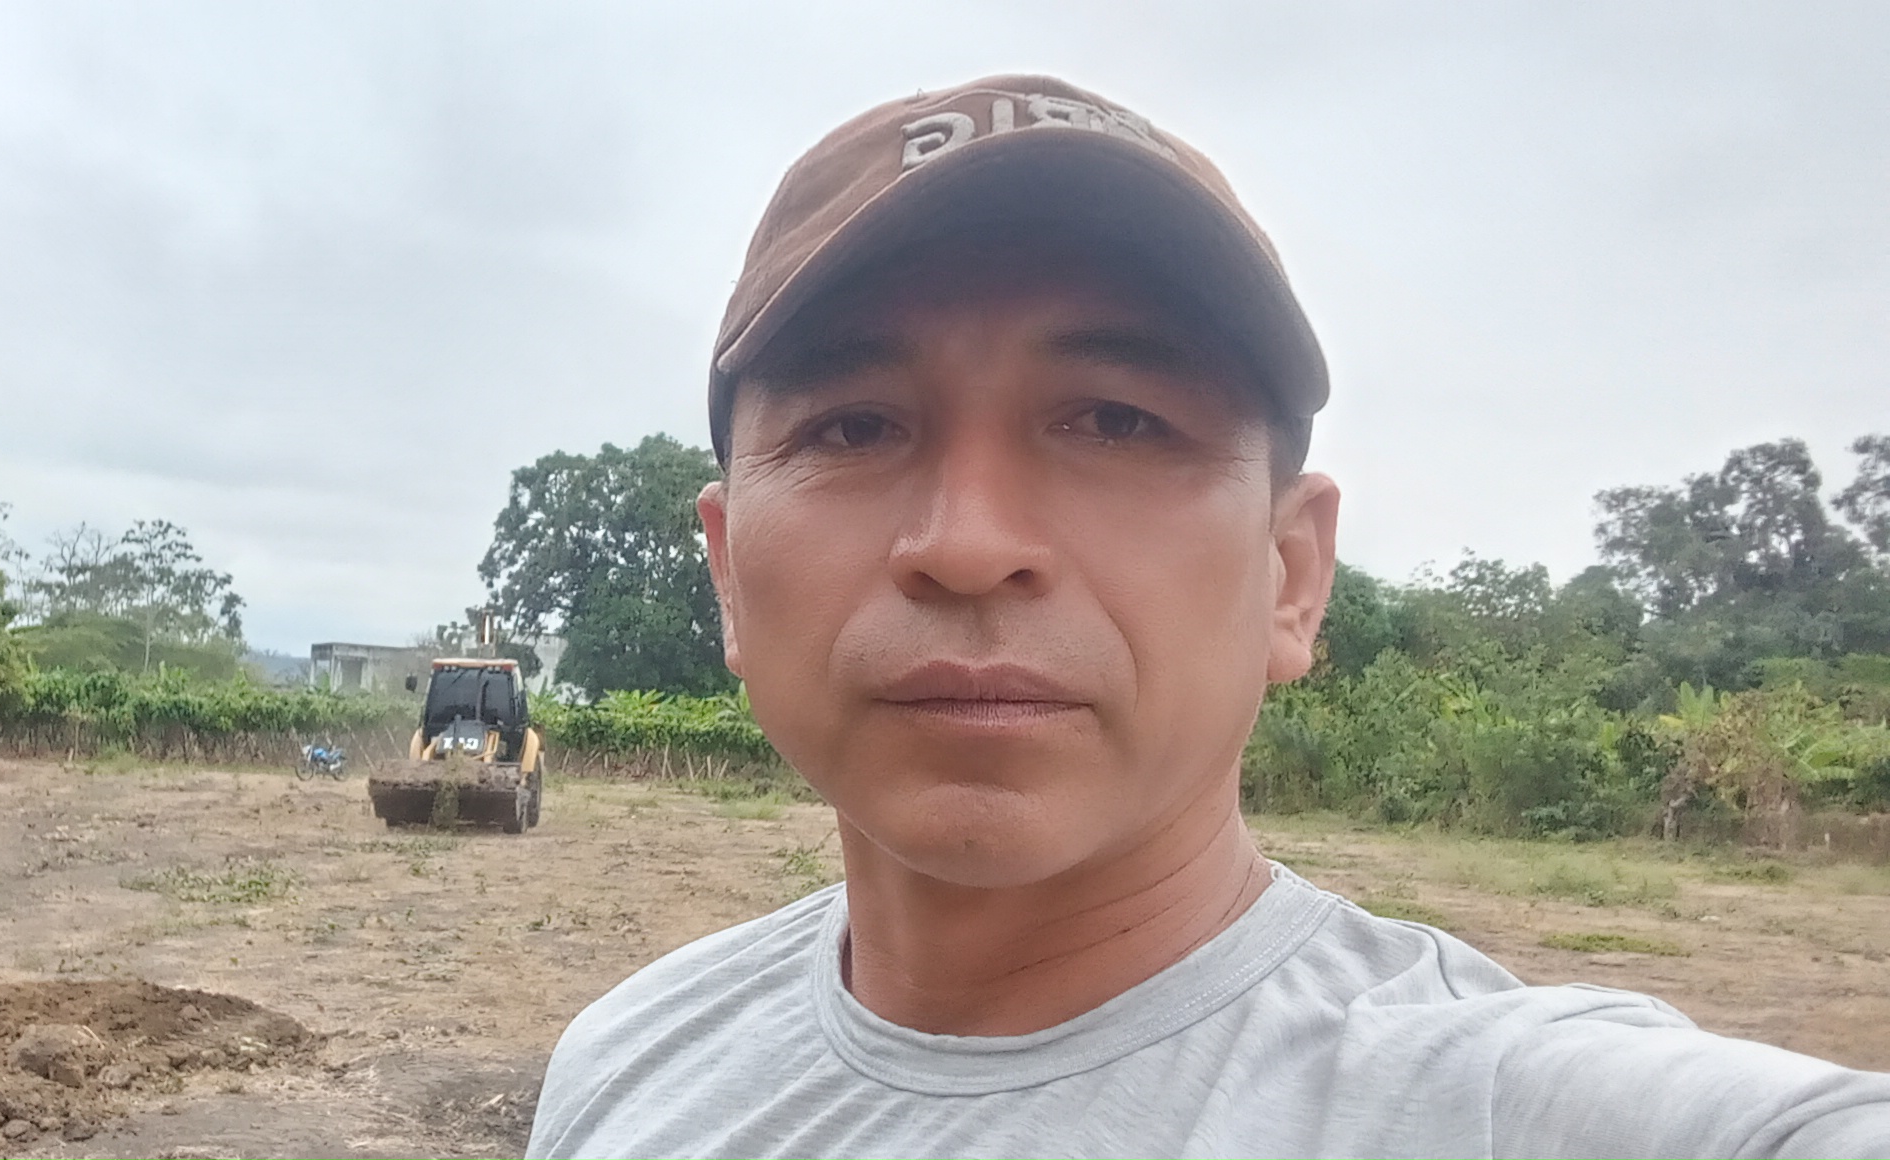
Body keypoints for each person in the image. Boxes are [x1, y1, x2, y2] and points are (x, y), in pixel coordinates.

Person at [525, 75, 1890, 1160]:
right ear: (728, 573)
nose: (968, 544)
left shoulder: (1499, 1106)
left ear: (1292, 575)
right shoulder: (629, 1064)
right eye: (854, 427)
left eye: (1118, 421)